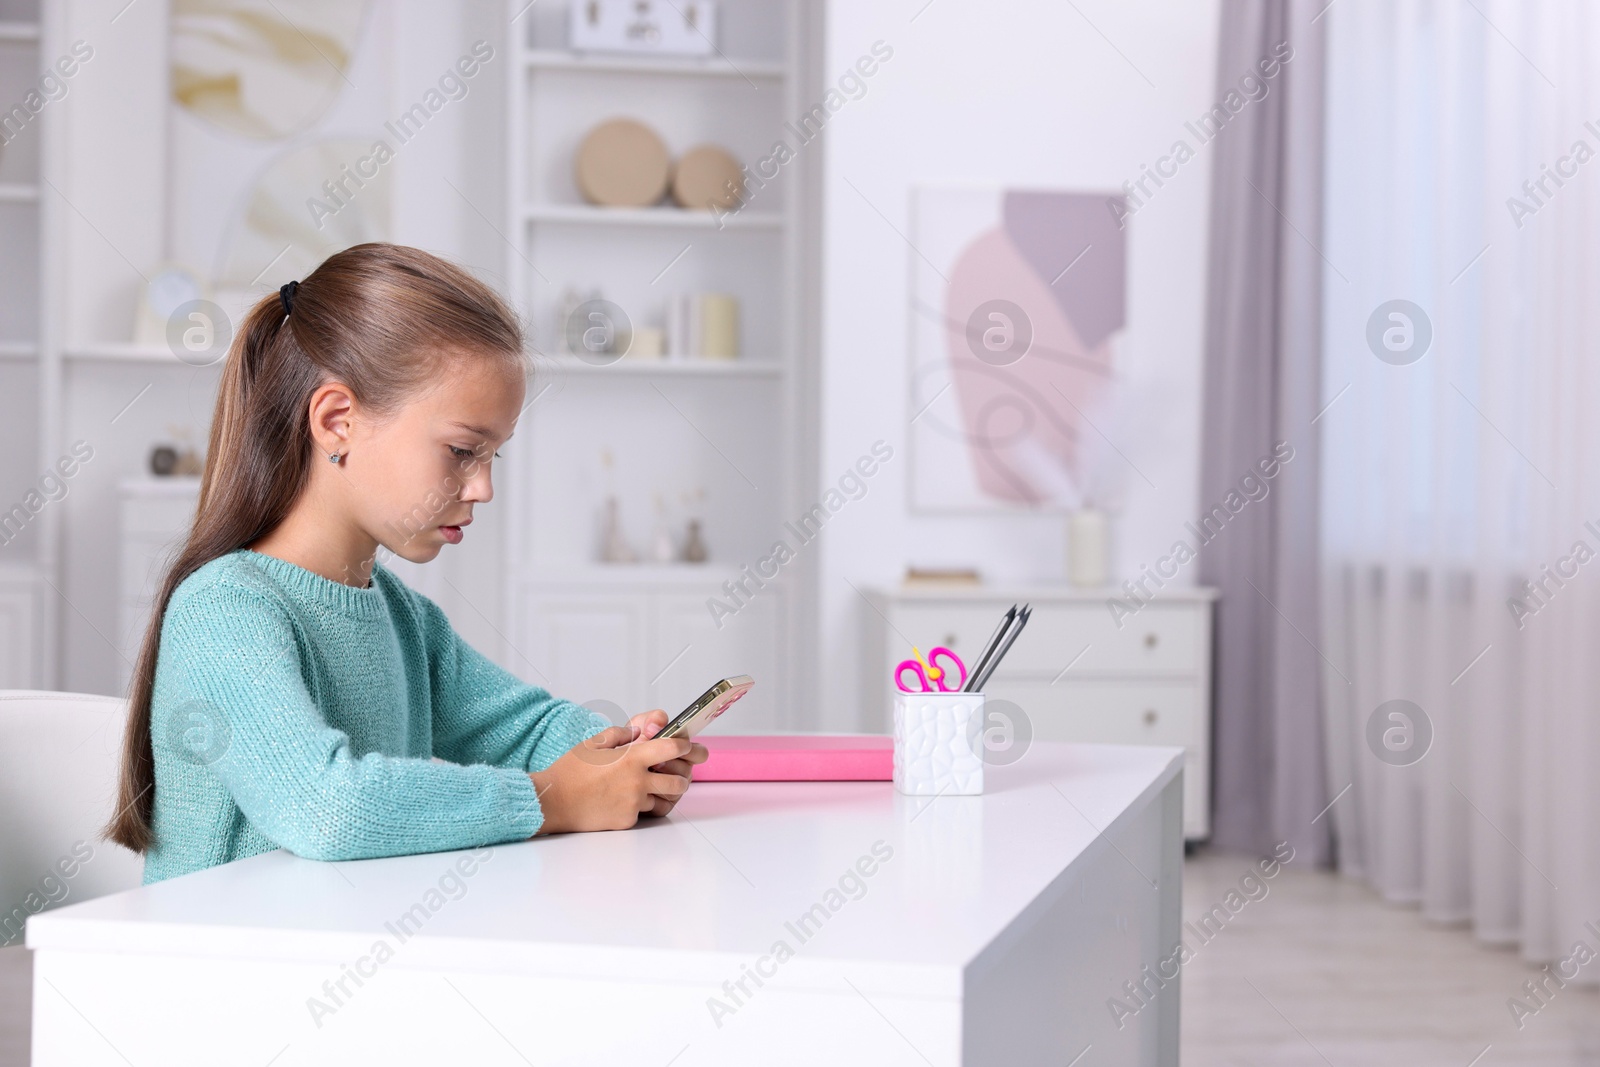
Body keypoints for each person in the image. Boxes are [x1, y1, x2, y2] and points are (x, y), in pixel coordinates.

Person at [107, 243, 705, 883]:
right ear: (337, 421)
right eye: (460, 450)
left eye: (492, 456)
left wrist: (622, 756)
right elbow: (327, 807)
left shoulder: (402, 618)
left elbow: (525, 729)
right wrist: (555, 799)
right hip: (226, 973)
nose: (482, 489)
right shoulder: (223, 610)